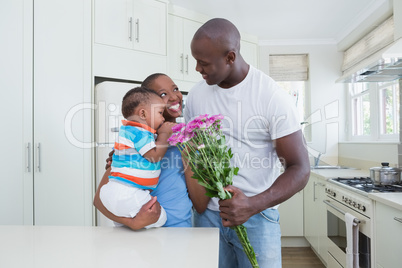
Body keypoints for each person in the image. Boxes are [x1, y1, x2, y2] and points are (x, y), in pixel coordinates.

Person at [185, 18, 310, 268]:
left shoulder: (272, 97)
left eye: (204, 62)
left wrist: (252, 205)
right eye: (196, 60)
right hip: (206, 218)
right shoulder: (197, 95)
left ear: (230, 57)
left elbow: (300, 168)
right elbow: (191, 153)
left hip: (257, 218)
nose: (197, 68)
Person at [94, 74, 202, 229]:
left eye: (175, 89)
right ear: (144, 108)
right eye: (163, 95)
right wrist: (133, 222)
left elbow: (200, 206)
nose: (174, 97)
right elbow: (99, 200)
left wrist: (188, 152)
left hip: (178, 232)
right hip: (139, 236)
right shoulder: (133, 145)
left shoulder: (189, 142)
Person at [100, 86, 174, 228]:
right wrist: (164, 135)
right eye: (160, 112)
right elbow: (154, 156)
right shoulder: (139, 132)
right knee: (161, 217)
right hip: (129, 192)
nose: (163, 118)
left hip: (114, 193)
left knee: (125, 231)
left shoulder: (131, 131)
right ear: (143, 114)